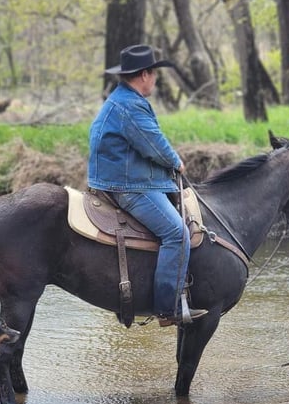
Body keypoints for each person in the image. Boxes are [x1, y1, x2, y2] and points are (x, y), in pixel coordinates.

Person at [88, 44, 208, 326]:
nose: (155, 79)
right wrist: (176, 162)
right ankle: (168, 309)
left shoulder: (120, 98)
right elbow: (154, 143)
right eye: (154, 73)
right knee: (177, 234)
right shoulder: (131, 105)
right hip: (128, 186)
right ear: (144, 74)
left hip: (116, 179)